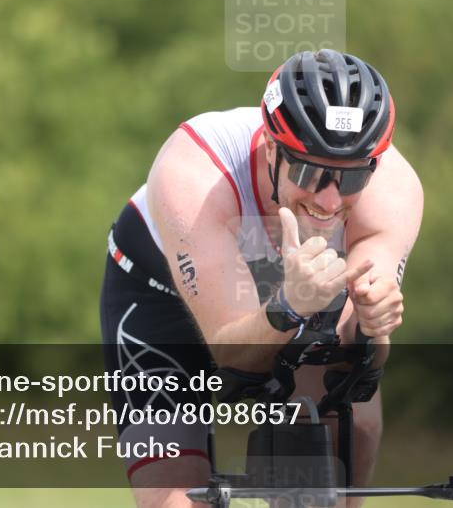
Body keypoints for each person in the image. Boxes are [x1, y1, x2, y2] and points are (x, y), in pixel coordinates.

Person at [100, 49, 423, 507]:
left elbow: (359, 364)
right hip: (160, 293)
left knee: (353, 427)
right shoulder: (194, 170)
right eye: (310, 172)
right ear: (271, 149)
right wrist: (289, 305)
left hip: (299, 291)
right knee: (175, 497)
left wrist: (374, 326)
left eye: (350, 179)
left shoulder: (393, 190)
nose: (329, 201)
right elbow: (233, 357)